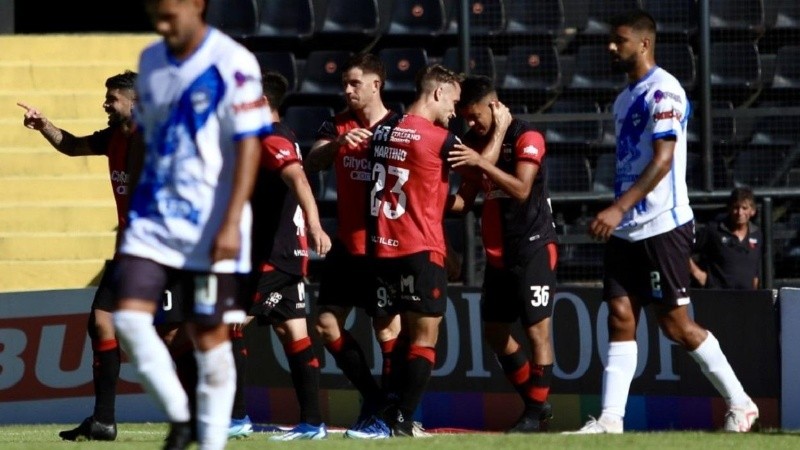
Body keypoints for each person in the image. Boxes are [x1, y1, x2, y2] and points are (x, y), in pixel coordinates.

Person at [566, 9, 759, 434]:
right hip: (627, 229)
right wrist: (618, 214)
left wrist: (617, 208)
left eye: (619, 40)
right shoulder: (623, 98)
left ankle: (741, 402)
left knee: (675, 325)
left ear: (644, 43)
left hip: (662, 225)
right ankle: (611, 420)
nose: (611, 47)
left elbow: (664, 159)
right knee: (619, 314)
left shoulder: (664, 91)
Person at [112, 1, 271, 450]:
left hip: (213, 223)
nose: (157, 13)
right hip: (156, 219)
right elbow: (142, 138)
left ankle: (212, 443)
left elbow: (249, 147)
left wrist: (231, 220)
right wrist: (131, 212)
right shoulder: (150, 60)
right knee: (127, 318)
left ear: (196, 4)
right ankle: (182, 419)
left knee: (209, 336)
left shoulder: (233, 62)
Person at [18, 71, 140, 442]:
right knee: (101, 322)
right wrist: (44, 125)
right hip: (130, 253)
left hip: (161, 252)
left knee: (170, 338)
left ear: (135, 102)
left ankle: (219, 412)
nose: (106, 103)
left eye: (113, 98)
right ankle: (103, 421)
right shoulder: (113, 137)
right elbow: (72, 146)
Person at [448, 75, 557, 433]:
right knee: (495, 332)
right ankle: (536, 403)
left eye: (475, 115)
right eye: (465, 116)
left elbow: (522, 189)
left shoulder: (527, 135)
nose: (470, 122)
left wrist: (482, 164)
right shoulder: (474, 142)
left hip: (533, 245)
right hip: (497, 252)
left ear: (494, 106)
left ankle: (532, 412)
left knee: (537, 332)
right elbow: (464, 199)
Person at [227, 70, 332, 441]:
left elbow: (299, 179)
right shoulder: (275, 136)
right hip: (287, 254)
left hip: (272, 257)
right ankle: (313, 422)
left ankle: (236, 417)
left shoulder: (272, 139)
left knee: (227, 327)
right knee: (295, 334)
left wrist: (317, 227)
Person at [305, 53, 403, 439]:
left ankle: (391, 414)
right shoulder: (338, 123)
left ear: (376, 84)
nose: (347, 90)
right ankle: (375, 399)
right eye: (344, 83)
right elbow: (312, 161)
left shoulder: (400, 126)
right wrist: (339, 143)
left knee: (386, 329)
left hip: (385, 246)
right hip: (347, 245)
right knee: (327, 324)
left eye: (354, 83)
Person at [367, 64, 464, 437]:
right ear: (437, 93)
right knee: (424, 339)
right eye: (453, 102)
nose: (454, 112)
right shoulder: (438, 139)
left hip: (382, 246)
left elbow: (425, 190)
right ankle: (404, 420)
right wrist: (501, 130)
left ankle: (387, 415)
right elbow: (480, 170)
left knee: (396, 338)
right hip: (419, 248)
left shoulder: (383, 130)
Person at [690, 187, 762, 290]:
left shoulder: (757, 234)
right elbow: (684, 248)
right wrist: (697, 273)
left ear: (752, 211)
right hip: (717, 297)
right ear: (729, 208)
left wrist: (755, 284)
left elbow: (756, 267)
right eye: (736, 208)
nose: (739, 213)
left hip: (747, 299)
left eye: (744, 208)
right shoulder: (714, 230)